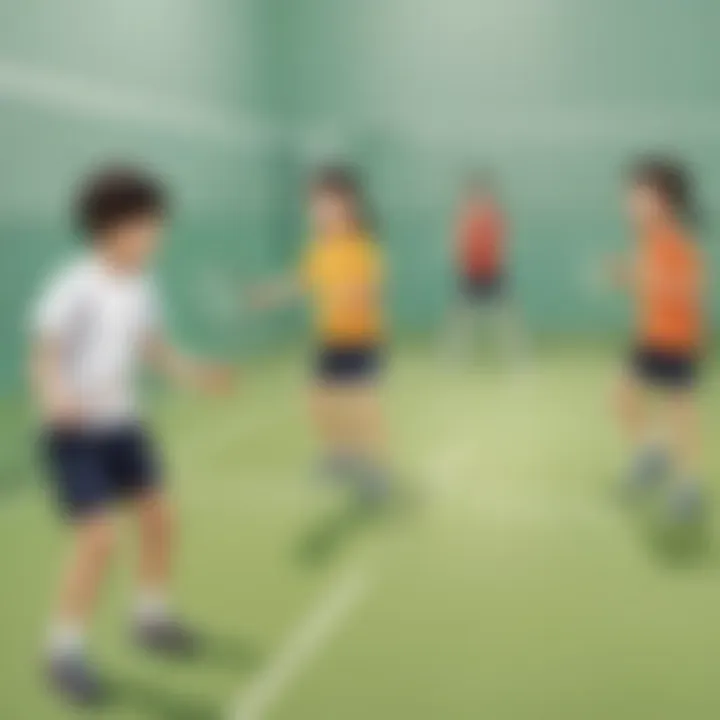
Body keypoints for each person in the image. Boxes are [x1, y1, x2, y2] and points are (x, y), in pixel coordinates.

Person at [30, 166, 233, 705]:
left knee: (161, 517)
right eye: (148, 224)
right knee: (98, 540)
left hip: (124, 425)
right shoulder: (74, 286)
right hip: (76, 434)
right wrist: (54, 394)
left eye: (156, 224)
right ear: (111, 228)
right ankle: (62, 651)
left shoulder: (141, 284)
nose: (157, 234)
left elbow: (152, 347)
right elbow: (45, 355)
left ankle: (150, 617)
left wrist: (193, 373)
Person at [251, 164, 389, 500]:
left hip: (361, 340)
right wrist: (266, 295)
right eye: (313, 205)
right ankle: (339, 456)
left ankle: (374, 470)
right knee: (317, 398)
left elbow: (369, 293)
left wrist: (346, 294)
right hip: (329, 339)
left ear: (346, 206)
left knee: (360, 407)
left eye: (323, 204)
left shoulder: (362, 247)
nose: (316, 211)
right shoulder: (318, 248)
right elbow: (300, 282)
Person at [612, 156, 705, 521]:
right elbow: (648, 280)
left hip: (676, 342)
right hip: (650, 338)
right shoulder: (649, 239)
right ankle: (651, 455)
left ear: (663, 202)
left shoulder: (675, 240)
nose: (629, 204)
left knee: (678, 414)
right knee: (621, 397)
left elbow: (687, 289)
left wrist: (641, 280)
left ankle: (687, 486)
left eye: (637, 196)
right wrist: (627, 275)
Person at [446, 174, 521, 361]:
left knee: (507, 322)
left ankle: (515, 360)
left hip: (494, 275)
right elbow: (457, 248)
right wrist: (461, 268)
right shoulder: (464, 217)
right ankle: (454, 359)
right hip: (470, 276)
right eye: (476, 192)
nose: (480, 196)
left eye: (483, 192)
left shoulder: (496, 216)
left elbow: (505, 247)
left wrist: (502, 269)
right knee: (460, 322)